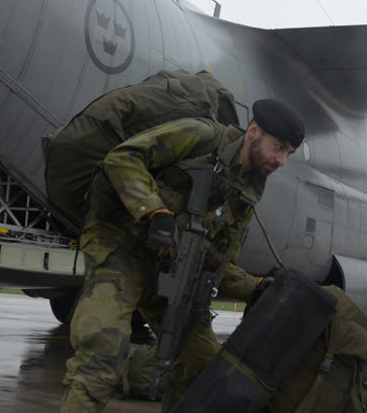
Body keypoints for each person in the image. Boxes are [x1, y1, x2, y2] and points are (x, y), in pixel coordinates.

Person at [61, 98, 305, 412]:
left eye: (289, 153)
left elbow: (214, 261)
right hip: (123, 243)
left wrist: (255, 287)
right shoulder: (201, 136)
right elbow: (122, 159)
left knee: (201, 365)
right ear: (254, 131)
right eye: (279, 147)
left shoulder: (246, 192)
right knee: (101, 353)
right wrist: (155, 213)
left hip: (174, 266)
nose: (282, 161)